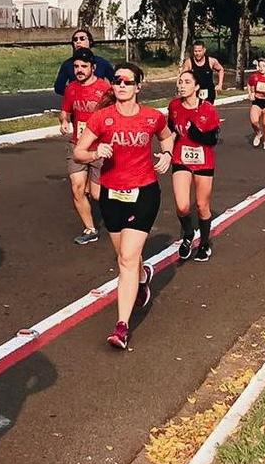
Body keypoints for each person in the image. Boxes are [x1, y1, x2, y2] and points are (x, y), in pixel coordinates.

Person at [74, 63, 174, 349]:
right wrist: (95, 151)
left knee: (127, 259)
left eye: (127, 82)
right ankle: (143, 277)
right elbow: (80, 151)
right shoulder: (101, 118)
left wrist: (167, 154)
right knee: (124, 257)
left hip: (144, 192)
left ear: (138, 87)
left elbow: (167, 136)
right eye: (117, 81)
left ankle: (122, 327)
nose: (121, 85)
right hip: (111, 195)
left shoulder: (152, 117)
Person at [168, 70, 221, 262]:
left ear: (196, 86)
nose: (182, 85)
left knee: (201, 205)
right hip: (181, 160)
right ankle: (188, 234)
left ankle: (205, 243)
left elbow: (213, 139)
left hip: (203, 161)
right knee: (182, 206)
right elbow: (171, 130)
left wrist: (196, 133)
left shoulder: (208, 109)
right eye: (180, 81)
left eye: (187, 82)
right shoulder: (174, 106)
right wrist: (167, 152)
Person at [59, 47, 110, 245]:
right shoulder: (71, 88)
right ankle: (90, 228)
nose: (79, 69)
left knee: (97, 194)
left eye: (84, 66)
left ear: (93, 67)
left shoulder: (104, 89)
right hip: (77, 146)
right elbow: (65, 112)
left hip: (100, 148)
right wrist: (64, 121)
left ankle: (121, 214)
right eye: (76, 66)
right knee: (77, 187)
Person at [54, 29, 115, 95]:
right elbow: (59, 88)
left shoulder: (102, 63)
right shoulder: (67, 64)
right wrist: (74, 94)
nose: (78, 41)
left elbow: (115, 82)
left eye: (82, 38)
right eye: (75, 39)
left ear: (90, 41)